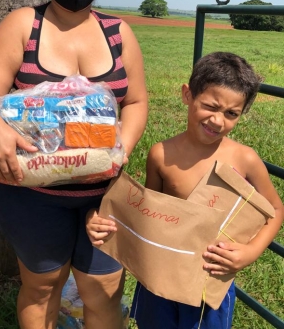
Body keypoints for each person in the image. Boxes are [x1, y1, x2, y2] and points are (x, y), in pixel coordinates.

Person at [0, 0, 148, 329]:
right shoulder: (22, 25)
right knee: (43, 287)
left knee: (103, 290)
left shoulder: (119, 33)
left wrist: (123, 149)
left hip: (104, 194)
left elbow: (136, 101)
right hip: (32, 193)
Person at [86, 52, 284, 329]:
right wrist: (101, 219)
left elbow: (275, 209)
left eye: (231, 114)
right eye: (210, 106)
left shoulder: (245, 159)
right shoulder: (161, 155)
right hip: (159, 275)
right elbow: (149, 215)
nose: (218, 120)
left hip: (209, 279)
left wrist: (250, 252)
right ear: (187, 95)